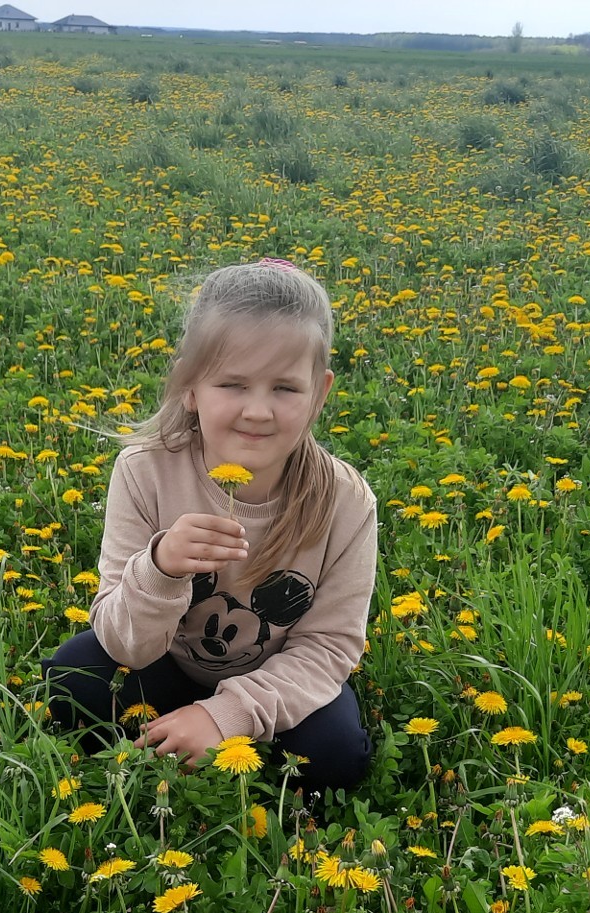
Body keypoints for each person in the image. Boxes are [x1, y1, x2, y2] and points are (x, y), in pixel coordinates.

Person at [41, 258, 379, 815]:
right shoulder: (144, 471)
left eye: (285, 388)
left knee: (334, 756)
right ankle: (141, 781)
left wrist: (225, 716)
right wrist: (161, 568)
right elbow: (123, 643)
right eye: (233, 383)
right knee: (74, 675)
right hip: (167, 664)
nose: (258, 411)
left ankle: (249, 786)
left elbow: (327, 648)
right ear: (190, 386)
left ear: (320, 393)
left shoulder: (345, 501)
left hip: (279, 679)